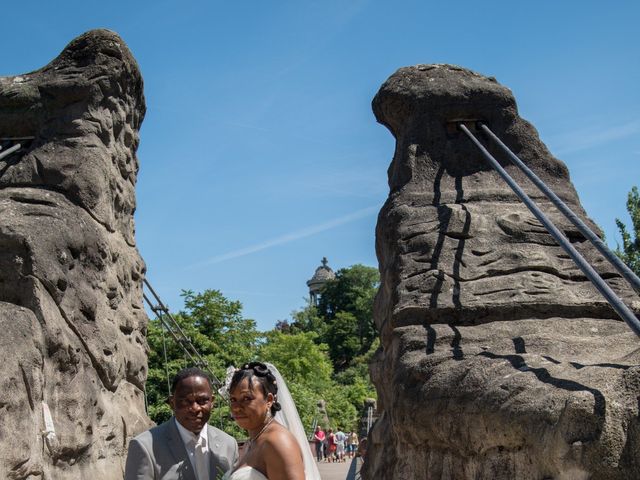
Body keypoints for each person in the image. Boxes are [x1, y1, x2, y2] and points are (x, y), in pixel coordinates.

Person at [124, 367, 238, 480]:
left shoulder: (229, 444)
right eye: (185, 401)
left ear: (212, 402)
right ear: (172, 403)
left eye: (202, 401)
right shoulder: (145, 447)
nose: (195, 408)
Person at [223, 362, 321, 480]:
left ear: (269, 400)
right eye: (233, 399)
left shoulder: (278, 442)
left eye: (246, 398)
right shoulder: (252, 442)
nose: (236, 407)